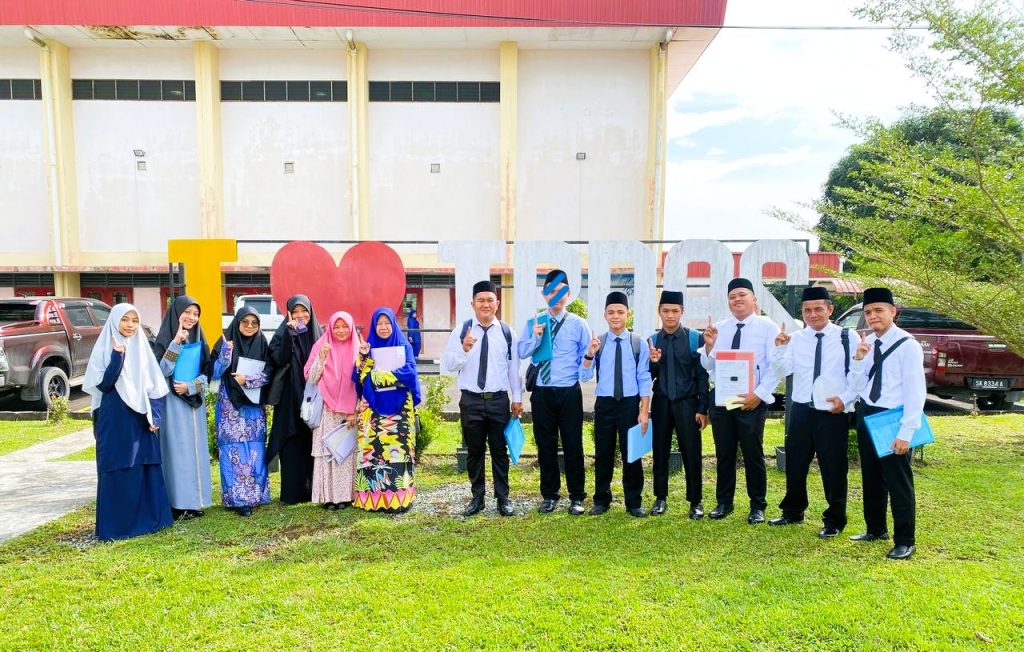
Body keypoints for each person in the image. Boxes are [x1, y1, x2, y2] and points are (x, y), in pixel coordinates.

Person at [768, 286, 859, 538]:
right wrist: (779, 349)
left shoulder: (847, 337)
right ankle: (793, 511)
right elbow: (782, 370)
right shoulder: (796, 338)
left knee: (833, 467)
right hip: (801, 409)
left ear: (830, 309)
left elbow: (857, 374)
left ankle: (835, 520)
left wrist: (846, 400)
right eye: (807, 310)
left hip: (832, 410)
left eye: (818, 309)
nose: (813, 314)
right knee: (795, 463)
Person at [846, 287, 926, 560]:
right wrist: (858, 358)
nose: (873, 316)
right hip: (868, 413)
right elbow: (857, 385)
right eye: (868, 312)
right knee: (871, 477)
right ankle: (875, 529)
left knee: (897, 481)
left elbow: (916, 392)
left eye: (879, 310)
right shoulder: (867, 343)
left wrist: (906, 432)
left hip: (893, 417)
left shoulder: (908, 345)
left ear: (893, 311)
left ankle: (905, 540)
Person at [83, 303, 172, 541]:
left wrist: (156, 416)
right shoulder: (105, 347)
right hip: (115, 417)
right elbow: (103, 385)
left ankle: (150, 520)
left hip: (141, 417)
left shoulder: (142, 347)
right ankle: (118, 526)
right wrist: (117, 356)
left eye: (134, 320)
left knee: (144, 463)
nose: (130, 325)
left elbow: (156, 386)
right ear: (114, 320)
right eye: (125, 319)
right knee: (117, 464)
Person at [700, 278, 780, 524]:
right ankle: (724, 502)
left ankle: (757, 505)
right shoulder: (719, 328)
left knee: (752, 454)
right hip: (723, 399)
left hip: (751, 400)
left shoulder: (767, 326)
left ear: (754, 299)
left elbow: (775, 366)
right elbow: (708, 366)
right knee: (724, 453)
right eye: (732, 296)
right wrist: (709, 347)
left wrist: (759, 395)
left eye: (742, 295)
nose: (737, 300)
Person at [441, 280, 523, 518]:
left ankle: (503, 498)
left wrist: (517, 398)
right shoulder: (462, 331)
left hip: (498, 400)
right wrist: (463, 350)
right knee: (474, 451)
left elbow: (514, 368)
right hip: (471, 401)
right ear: (473, 304)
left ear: (497, 303)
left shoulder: (507, 333)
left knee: (499, 450)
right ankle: (477, 497)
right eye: (481, 300)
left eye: (489, 300)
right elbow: (448, 364)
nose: (485, 305)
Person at [517, 269, 592, 516]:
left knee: (573, 444)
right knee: (545, 445)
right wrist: (536, 337)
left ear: (568, 294)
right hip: (542, 393)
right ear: (544, 294)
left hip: (569, 392)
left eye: (561, 291)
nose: (556, 297)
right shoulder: (535, 322)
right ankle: (549, 495)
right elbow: (522, 351)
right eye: (551, 291)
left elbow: (586, 368)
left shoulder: (579, 324)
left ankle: (577, 496)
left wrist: (588, 361)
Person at [580, 291, 652, 517]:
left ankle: (634, 502)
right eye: (611, 312)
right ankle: (601, 499)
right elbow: (584, 376)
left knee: (632, 453)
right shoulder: (598, 343)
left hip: (629, 404)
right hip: (605, 404)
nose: (615, 316)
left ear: (627, 314)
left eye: (620, 312)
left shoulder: (638, 343)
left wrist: (644, 410)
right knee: (603, 453)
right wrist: (589, 354)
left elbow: (644, 378)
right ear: (605, 315)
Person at [647, 290, 710, 519]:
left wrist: (703, 408)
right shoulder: (652, 341)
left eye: (675, 311)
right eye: (666, 311)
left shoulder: (695, 339)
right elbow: (647, 376)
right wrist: (653, 363)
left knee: (692, 452)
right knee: (660, 451)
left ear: (682, 311)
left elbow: (702, 375)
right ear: (659, 312)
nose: (670, 315)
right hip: (662, 402)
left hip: (688, 404)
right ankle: (660, 498)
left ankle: (695, 501)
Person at [354, 307, 421, 513]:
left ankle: (398, 500)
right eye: (379, 324)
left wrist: (379, 376)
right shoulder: (368, 347)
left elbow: (410, 372)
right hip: (373, 410)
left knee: (399, 451)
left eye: (387, 323)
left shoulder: (403, 345)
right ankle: (373, 500)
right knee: (372, 452)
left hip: (400, 409)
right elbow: (359, 376)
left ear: (393, 324)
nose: (383, 327)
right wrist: (364, 357)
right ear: (374, 326)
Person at [153, 295, 212, 520]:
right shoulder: (164, 340)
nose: (191, 317)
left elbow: (208, 373)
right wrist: (176, 343)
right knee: (177, 451)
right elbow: (161, 371)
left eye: (196, 314)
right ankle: (177, 503)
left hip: (194, 402)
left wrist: (191, 386)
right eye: (187, 312)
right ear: (176, 314)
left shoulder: (200, 340)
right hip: (173, 404)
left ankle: (194, 501)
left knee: (195, 450)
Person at [209, 306, 271, 517]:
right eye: (245, 322)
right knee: (232, 450)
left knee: (255, 449)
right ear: (237, 322)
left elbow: (269, 372)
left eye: (254, 323)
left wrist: (249, 380)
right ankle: (237, 499)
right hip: (230, 405)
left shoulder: (262, 343)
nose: (250, 326)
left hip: (253, 406)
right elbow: (213, 372)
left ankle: (257, 495)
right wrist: (226, 354)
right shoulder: (226, 341)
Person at [267, 295, 322, 505]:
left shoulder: (318, 334)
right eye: (295, 311)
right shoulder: (282, 333)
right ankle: (291, 493)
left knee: (311, 441)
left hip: (313, 398)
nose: (300, 315)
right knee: (290, 442)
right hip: (289, 399)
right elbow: (277, 360)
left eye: (304, 311)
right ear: (288, 313)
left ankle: (312, 490)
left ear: (310, 311)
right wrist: (289, 336)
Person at [304, 311, 362, 511]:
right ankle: (328, 497)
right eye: (336, 327)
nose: (341, 330)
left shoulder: (359, 348)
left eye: (345, 326)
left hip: (350, 412)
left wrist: (355, 410)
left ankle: (346, 496)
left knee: (346, 452)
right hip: (326, 409)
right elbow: (311, 378)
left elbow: (363, 383)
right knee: (327, 452)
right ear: (329, 328)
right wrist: (321, 358)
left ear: (351, 327)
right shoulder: (321, 346)